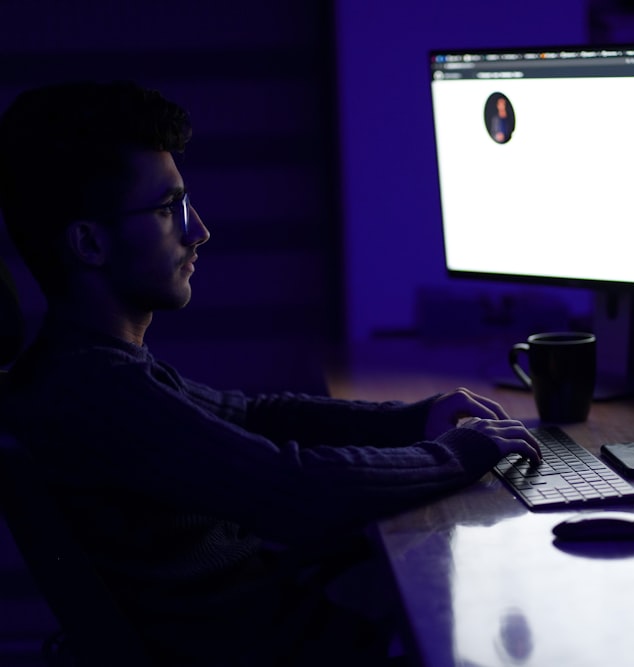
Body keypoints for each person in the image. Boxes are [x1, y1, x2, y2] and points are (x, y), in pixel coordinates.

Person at [0, 81, 541, 665]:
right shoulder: (93, 391)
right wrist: (455, 455)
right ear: (88, 243)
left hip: (291, 620)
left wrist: (417, 418)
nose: (197, 230)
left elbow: (257, 415)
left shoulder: (98, 366)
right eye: (166, 209)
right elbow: (293, 488)